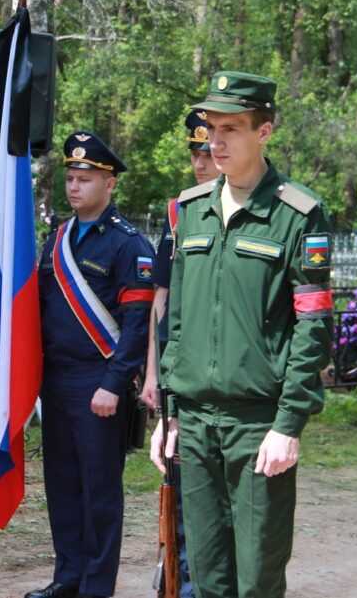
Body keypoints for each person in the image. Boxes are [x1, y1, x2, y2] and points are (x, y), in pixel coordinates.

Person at [151, 71, 333, 598]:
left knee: (256, 579)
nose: (216, 140)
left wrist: (289, 423)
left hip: (258, 425)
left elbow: (313, 325)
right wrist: (171, 415)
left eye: (231, 128)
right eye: (212, 127)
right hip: (197, 425)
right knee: (205, 577)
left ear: (265, 132)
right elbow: (177, 323)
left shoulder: (298, 214)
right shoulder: (191, 210)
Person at [26, 132, 155, 598]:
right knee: (61, 485)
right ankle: (68, 578)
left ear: (109, 183)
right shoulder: (57, 238)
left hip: (97, 382)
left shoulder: (129, 245)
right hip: (55, 379)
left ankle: (96, 587)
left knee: (98, 492)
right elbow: (36, 311)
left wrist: (113, 383)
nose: (75, 187)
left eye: (85, 179)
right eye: (71, 178)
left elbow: (137, 325)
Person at [141, 108, 220, 598]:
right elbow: (160, 303)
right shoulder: (179, 215)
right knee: (180, 489)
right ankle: (180, 582)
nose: (200, 161)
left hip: (222, 376)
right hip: (180, 377)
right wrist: (152, 374)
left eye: (208, 150)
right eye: (195, 151)